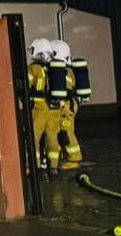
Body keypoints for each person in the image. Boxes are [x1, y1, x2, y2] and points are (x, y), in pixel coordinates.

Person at [26, 38, 61, 172]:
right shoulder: (54, 70)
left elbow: (26, 87)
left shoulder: (33, 69)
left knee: (33, 137)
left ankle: (32, 166)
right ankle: (53, 166)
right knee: (52, 137)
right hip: (54, 107)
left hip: (39, 108)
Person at [51, 40, 85, 168]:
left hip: (66, 106)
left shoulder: (64, 72)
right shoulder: (66, 70)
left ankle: (74, 159)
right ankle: (63, 158)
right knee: (60, 131)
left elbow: (65, 90)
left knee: (66, 131)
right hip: (66, 104)